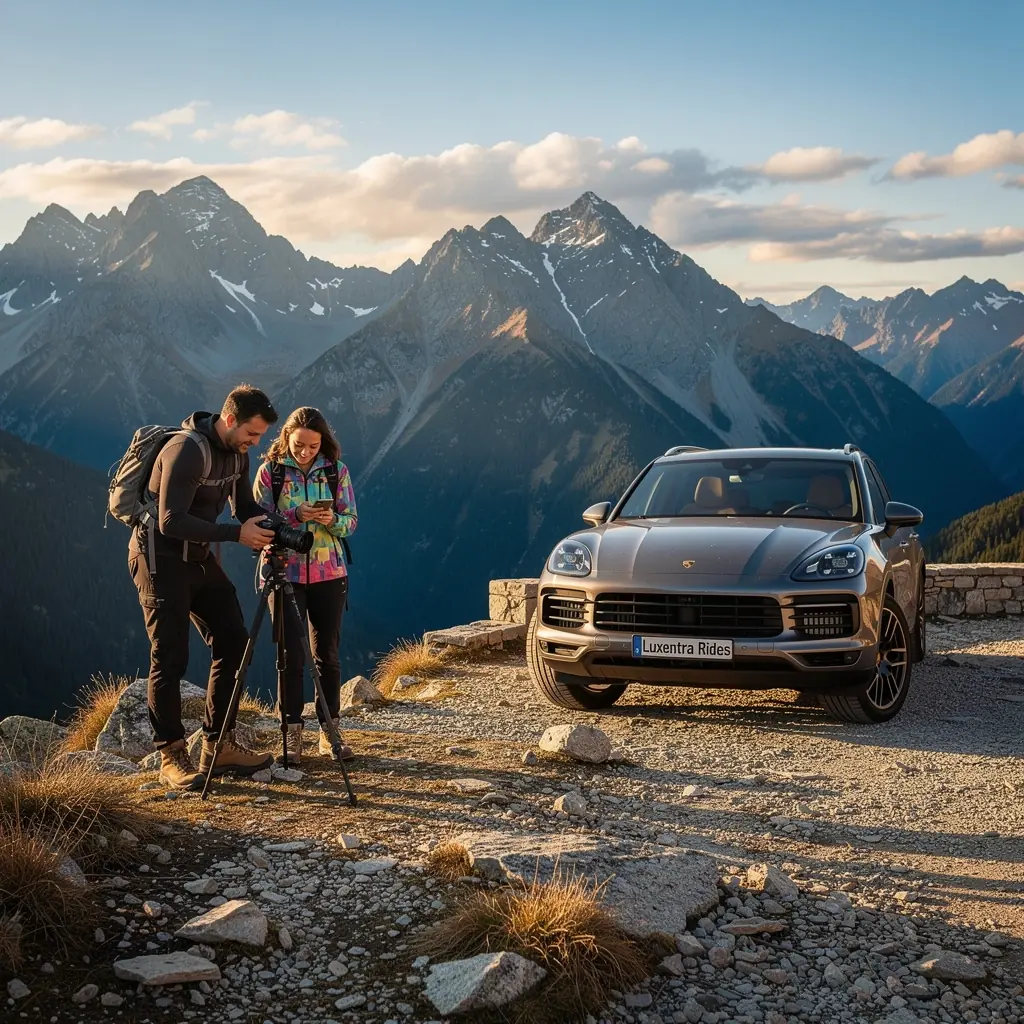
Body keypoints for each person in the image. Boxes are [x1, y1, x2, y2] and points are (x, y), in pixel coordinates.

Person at [128, 384, 279, 790]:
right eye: (252, 433)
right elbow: (170, 521)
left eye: (260, 436)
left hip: (197, 557)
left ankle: (218, 744)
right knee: (170, 657)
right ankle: (172, 756)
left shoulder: (237, 454)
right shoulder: (187, 450)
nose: (255, 442)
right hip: (159, 558)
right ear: (230, 420)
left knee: (234, 640)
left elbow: (244, 508)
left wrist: (275, 526)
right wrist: (235, 535)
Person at [254, 406, 358, 764]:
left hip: (330, 572)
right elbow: (256, 519)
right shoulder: (271, 472)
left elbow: (351, 522)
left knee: (327, 655)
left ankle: (331, 734)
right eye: (299, 445)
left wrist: (332, 520)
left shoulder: (336, 471)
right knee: (290, 656)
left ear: (322, 442)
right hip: (286, 571)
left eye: (313, 446)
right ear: (287, 438)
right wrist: (294, 515)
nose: (305, 452)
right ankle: (292, 736)